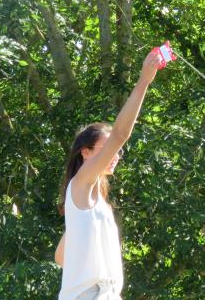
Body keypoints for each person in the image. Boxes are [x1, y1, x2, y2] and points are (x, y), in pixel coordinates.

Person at [54, 50, 162, 300]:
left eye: (117, 151)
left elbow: (61, 257)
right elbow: (121, 134)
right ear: (86, 153)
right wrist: (144, 80)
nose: (116, 154)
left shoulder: (93, 203)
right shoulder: (80, 183)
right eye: (108, 148)